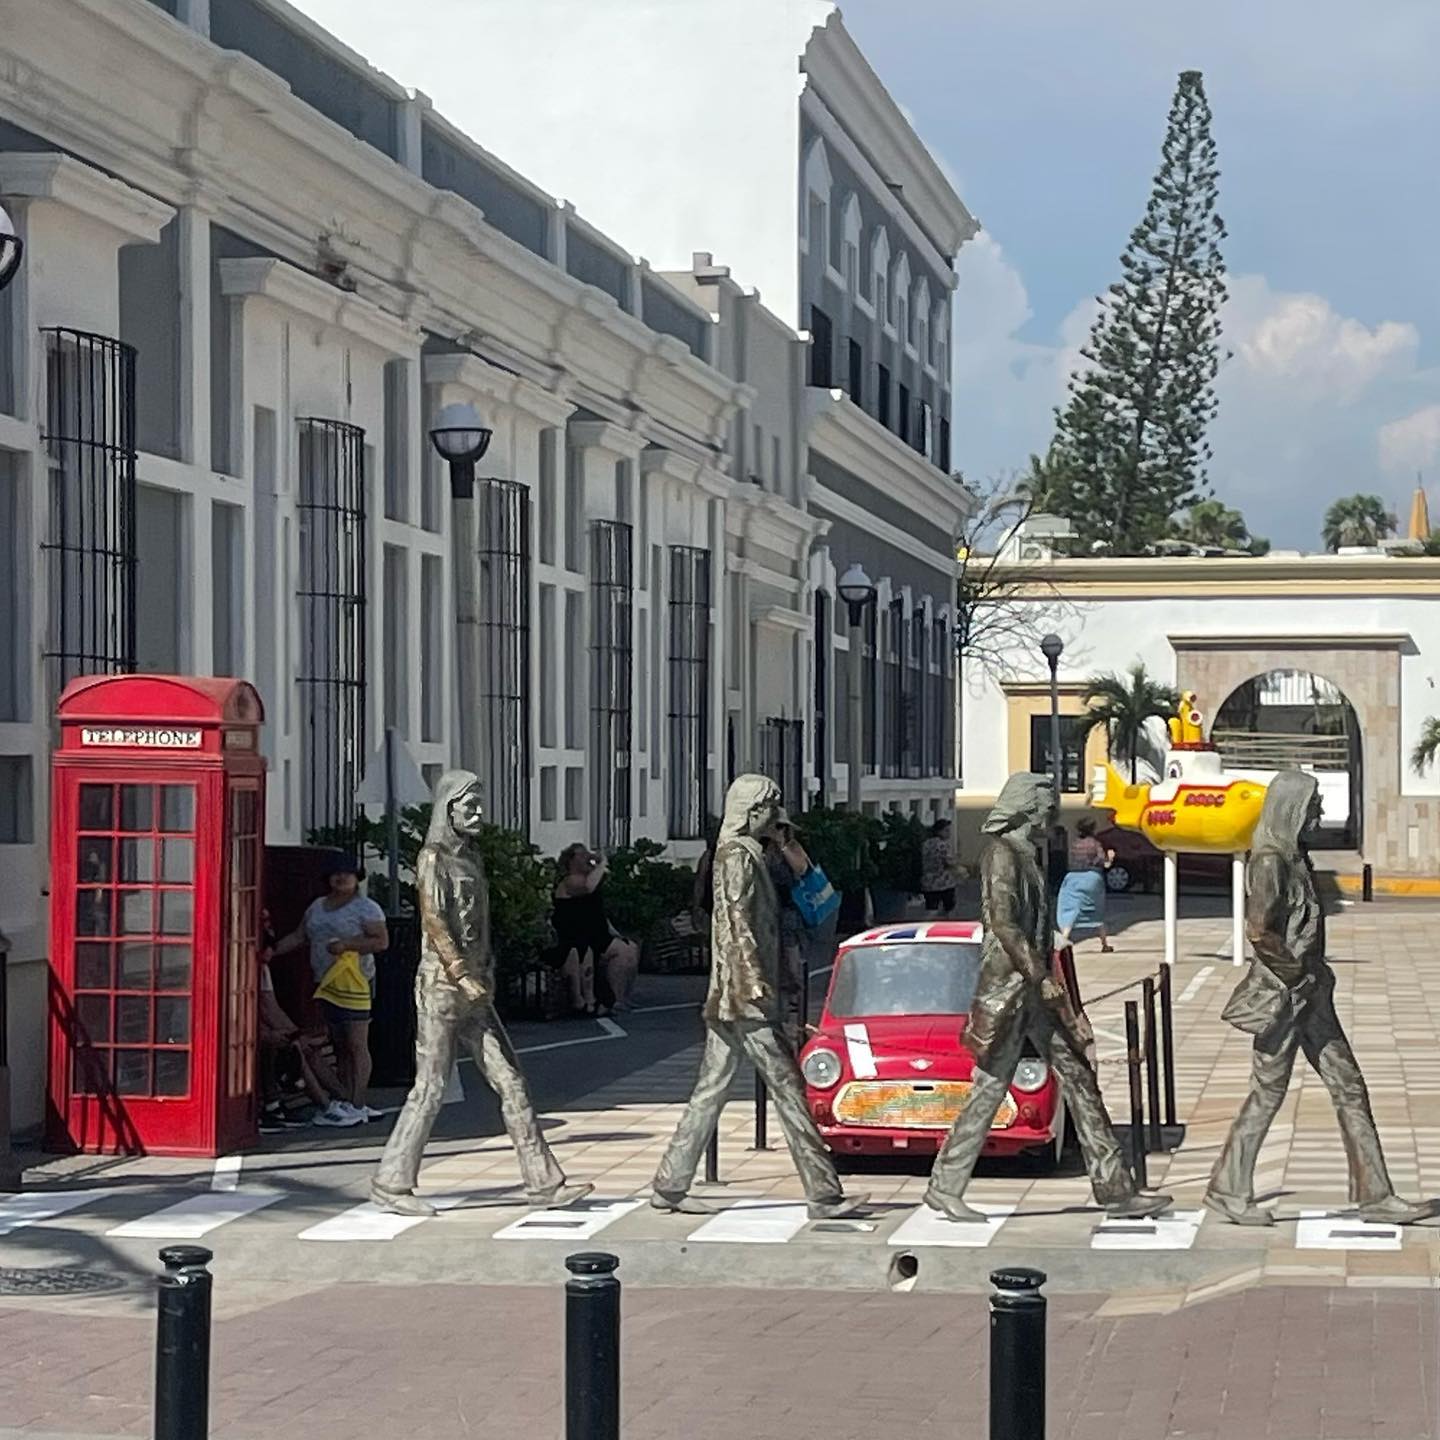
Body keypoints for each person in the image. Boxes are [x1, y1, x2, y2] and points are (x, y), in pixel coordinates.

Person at [923, 772, 1171, 1223]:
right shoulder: (1002, 854)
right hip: (1013, 991)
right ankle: (945, 1185)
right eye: (1043, 803)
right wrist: (1043, 978)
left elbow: (1034, 929)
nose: (1050, 812)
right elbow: (1005, 924)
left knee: (1078, 1077)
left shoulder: (1024, 853)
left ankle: (1115, 1187)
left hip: (1033, 990)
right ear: (1022, 805)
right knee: (990, 1088)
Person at [1205, 771, 1433, 1227]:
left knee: (1349, 1085)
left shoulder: (1295, 856)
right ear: (1293, 808)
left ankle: (1375, 1194)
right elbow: (1259, 931)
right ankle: (1228, 1189)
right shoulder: (1270, 861)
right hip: (1284, 996)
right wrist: (1295, 976)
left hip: (1312, 993)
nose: (1320, 813)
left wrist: (1312, 980)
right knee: (1268, 1092)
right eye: (1314, 805)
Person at [370, 770, 591, 1216]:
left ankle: (543, 1183)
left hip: (476, 989)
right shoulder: (433, 858)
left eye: (480, 804)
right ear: (447, 810)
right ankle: (391, 1183)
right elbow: (435, 921)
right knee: (430, 1087)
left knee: (511, 1082)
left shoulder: (471, 858)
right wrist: (460, 973)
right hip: (443, 989)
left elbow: (480, 926)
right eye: (468, 805)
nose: (477, 813)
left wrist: (484, 971)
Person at [650, 773, 867, 1220]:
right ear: (752, 812)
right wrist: (752, 982)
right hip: (746, 998)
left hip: (734, 996)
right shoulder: (737, 858)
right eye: (770, 809)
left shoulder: (748, 853)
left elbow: (800, 893)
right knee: (788, 1089)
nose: (774, 817)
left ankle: (670, 1184)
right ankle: (824, 1194)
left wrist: (785, 840)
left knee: (711, 1090)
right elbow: (736, 924)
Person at [269, 856, 388, 1123]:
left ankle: (358, 1102)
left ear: (357, 877)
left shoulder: (367, 908)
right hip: (326, 982)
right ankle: (345, 1099)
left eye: (347, 873)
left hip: (356, 982)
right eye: (335, 874)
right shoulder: (317, 907)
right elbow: (300, 936)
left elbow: (381, 942)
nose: (341, 878)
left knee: (357, 1042)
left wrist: (347, 945)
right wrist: (270, 952)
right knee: (339, 1043)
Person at [553, 844, 640, 1013]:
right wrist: (601, 864)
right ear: (571, 860)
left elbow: (598, 913)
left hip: (596, 933)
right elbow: (588, 887)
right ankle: (613, 999)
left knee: (632, 948)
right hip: (579, 936)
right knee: (622, 953)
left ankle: (622, 996)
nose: (587, 856)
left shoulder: (589, 880)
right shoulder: (570, 881)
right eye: (581, 854)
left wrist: (614, 932)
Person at [1056, 817, 1115, 952]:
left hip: (1073, 878)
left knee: (1070, 908)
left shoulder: (1075, 843)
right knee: (1097, 911)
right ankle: (1104, 944)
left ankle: (1064, 938)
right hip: (1092, 878)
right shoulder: (1095, 844)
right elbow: (1104, 863)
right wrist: (1110, 857)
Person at [920, 818, 959, 915]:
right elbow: (949, 862)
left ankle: (926, 927)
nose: (949, 833)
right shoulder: (942, 845)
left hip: (928, 881)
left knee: (931, 908)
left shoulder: (926, 843)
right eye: (946, 830)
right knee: (949, 908)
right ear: (939, 831)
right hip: (943, 882)